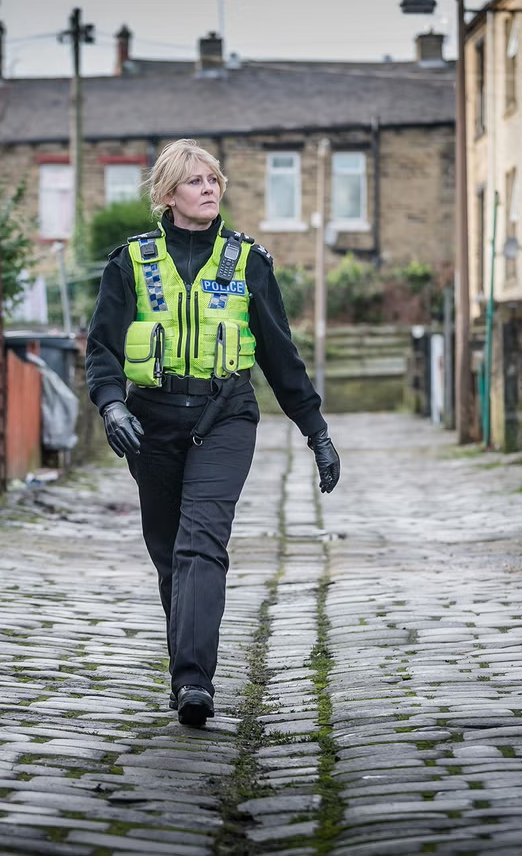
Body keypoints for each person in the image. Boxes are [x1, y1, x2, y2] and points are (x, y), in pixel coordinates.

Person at [84, 139, 340, 727]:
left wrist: (316, 432)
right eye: (195, 181)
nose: (209, 188)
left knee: (202, 543)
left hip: (225, 415)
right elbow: (101, 347)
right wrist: (112, 407)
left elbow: (280, 355)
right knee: (169, 554)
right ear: (168, 194)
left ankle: (194, 682)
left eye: (214, 179)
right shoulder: (132, 262)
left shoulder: (248, 261)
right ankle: (186, 669)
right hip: (150, 421)